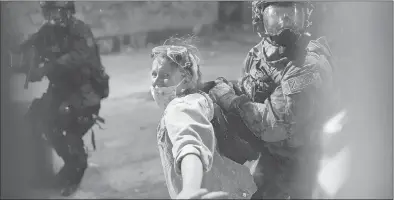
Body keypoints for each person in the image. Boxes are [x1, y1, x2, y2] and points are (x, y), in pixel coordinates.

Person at [208, 1, 339, 199]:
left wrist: (230, 99)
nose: (286, 24)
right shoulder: (260, 53)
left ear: (306, 18)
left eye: (293, 16)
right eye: (276, 16)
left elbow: (273, 126)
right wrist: (226, 90)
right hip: (273, 154)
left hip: (304, 163)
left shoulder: (307, 65)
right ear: (260, 19)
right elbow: (248, 89)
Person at [15, 1, 109, 196]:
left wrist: (46, 69)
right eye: (48, 12)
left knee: (71, 132)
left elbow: (78, 57)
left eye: (56, 11)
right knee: (39, 121)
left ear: (67, 12)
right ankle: (67, 166)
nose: (52, 17)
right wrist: (21, 57)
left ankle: (76, 171)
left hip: (84, 93)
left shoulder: (80, 31)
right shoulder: (48, 31)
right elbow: (29, 45)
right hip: (60, 91)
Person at [149, 37, 257, 199]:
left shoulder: (179, 108)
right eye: (154, 73)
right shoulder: (199, 98)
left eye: (165, 75)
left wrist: (190, 189)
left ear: (185, 80)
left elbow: (189, 147)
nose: (156, 82)